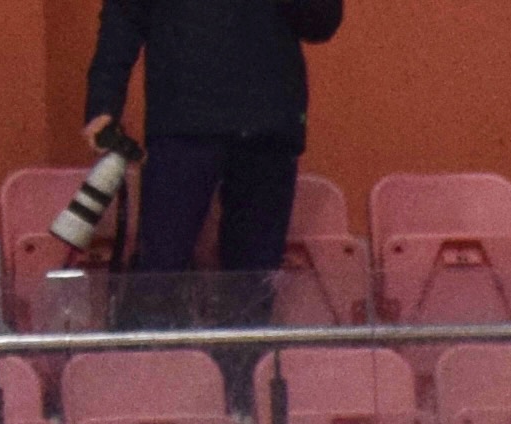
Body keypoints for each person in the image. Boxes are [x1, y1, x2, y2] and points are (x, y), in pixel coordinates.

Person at [81, 0, 346, 343]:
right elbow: (124, 16)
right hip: (185, 121)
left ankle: (243, 372)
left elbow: (322, 22)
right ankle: (147, 369)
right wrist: (103, 103)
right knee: (159, 277)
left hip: (267, 124)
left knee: (253, 285)